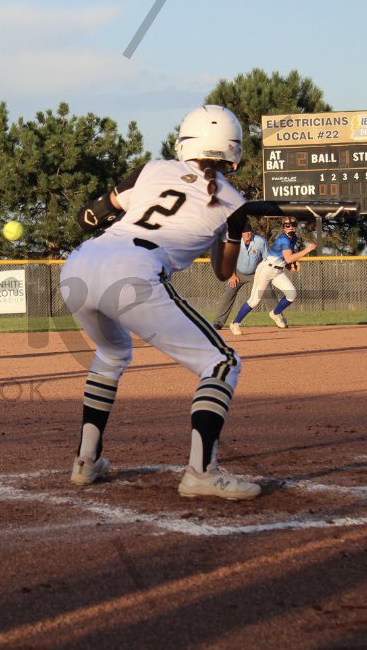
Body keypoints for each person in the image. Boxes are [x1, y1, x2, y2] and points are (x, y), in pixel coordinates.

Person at [60, 105, 260, 500]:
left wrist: (104, 212)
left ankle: (86, 460)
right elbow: (223, 272)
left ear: (185, 143)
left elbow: (90, 217)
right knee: (221, 363)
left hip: (81, 263)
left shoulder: (152, 169)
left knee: (112, 354)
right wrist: (230, 229)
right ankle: (201, 472)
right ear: (233, 152)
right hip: (134, 269)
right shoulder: (235, 203)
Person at [227, 217, 316, 335]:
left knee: (291, 294)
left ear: (296, 227)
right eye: (287, 225)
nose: (290, 227)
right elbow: (289, 258)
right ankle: (235, 323)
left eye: (292, 225)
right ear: (283, 227)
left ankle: (275, 313)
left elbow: (286, 256)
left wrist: (289, 265)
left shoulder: (293, 237)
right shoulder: (283, 239)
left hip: (278, 271)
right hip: (266, 270)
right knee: (254, 300)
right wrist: (307, 250)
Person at [210, 227, 267, 330]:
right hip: (237, 273)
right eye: (244, 231)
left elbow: (266, 259)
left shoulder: (260, 241)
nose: (247, 234)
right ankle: (218, 322)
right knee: (228, 294)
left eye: (249, 231)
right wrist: (232, 275)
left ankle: (278, 316)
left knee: (268, 290)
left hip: (256, 273)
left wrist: (263, 274)